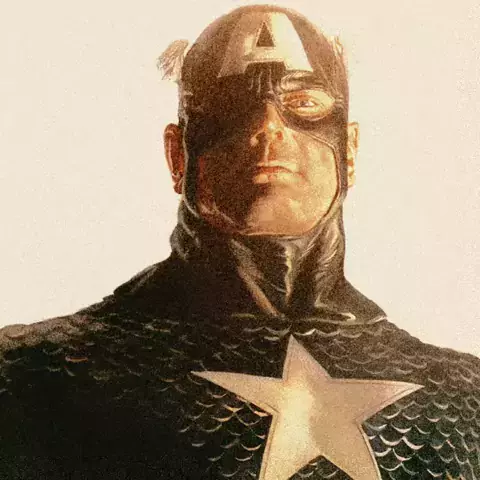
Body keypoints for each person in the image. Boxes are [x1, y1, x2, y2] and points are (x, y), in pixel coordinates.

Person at [0, 5, 478, 480]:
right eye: (230, 105)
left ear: (349, 151)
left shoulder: (462, 398)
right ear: (177, 154)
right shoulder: (33, 374)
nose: (269, 126)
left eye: (305, 103)